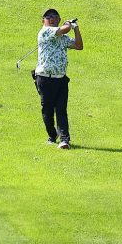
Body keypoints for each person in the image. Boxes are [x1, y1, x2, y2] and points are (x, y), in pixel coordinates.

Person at [35, 8, 84, 149]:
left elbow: (79, 46)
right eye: (48, 17)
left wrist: (76, 28)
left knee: (61, 109)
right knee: (47, 111)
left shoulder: (63, 37)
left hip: (61, 79)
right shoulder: (45, 31)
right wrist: (69, 24)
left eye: (55, 16)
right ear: (43, 21)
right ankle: (52, 135)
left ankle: (64, 140)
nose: (51, 18)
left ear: (58, 19)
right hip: (45, 78)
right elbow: (65, 29)